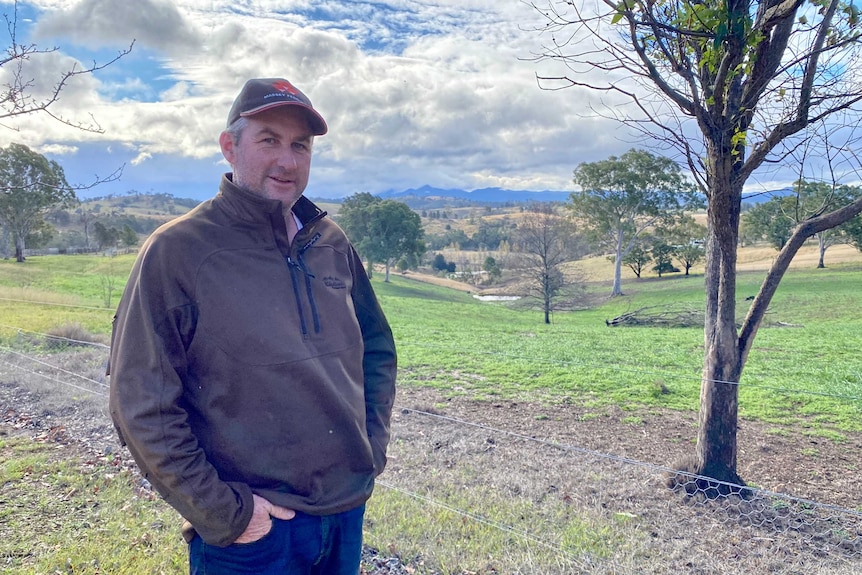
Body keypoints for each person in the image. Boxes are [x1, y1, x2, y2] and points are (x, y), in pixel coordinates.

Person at [108, 77, 397, 575]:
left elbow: (376, 350)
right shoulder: (178, 251)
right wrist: (226, 514)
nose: (287, 160)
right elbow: (140, 402)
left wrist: (368, 453)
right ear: (229, 146)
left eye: (299, 146)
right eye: (269, 140)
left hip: (345, 513)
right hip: (252, 536)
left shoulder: (330, 241)